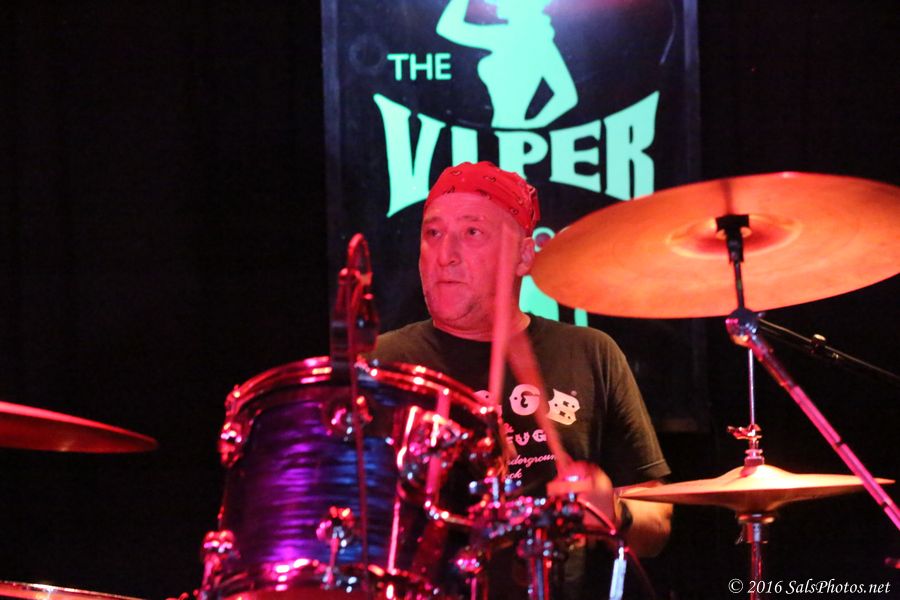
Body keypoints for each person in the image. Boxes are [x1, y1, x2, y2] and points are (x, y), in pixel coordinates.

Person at [370, 161, 672, 598]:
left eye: (472, 232)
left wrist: (612, 512)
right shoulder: (381, 363)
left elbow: (657, 526)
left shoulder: (591, 353)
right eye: (433, 233)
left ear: (524, 256)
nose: (444, 253)